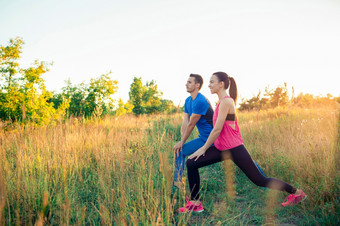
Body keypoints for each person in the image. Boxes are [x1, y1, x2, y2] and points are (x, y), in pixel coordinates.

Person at [177, 72, 306, 213]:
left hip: (234, 148)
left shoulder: (227, 101)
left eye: (212, 82)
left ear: (221, 84)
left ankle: (296, 193)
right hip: (222, 148)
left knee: (259, 180)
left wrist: (203, 149)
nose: (208, 85)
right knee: (191, 163)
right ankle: (195, 204)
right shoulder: (220, 102)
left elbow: (217, 130)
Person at [172, 74, 214, 194]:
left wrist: (182, 142)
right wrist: (181, 141)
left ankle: (261, 179)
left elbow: (191, 124)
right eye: (187, 82)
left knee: (238, 155)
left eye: (189, 82)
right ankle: (177, 184)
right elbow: (185, 122)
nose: (186, 84)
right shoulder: (188, 101)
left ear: (197, 85)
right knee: (179, 151)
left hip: (214, 139)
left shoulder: (201, 101)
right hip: (203, 139)